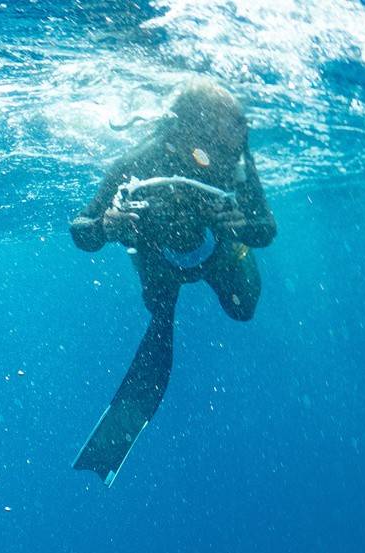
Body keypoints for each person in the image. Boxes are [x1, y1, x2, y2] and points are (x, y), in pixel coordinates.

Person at [68, 79, 277, 484]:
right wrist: (106, 226)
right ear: (186, 131)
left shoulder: (237, 160)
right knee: (161, 316)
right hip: (157, 258)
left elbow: (267, 227)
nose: (238, 143)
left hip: (219, 252)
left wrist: (242, 228)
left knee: (242, 309)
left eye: (240, 133)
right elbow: (80, 229)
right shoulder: (140, 161)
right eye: (229, 132)